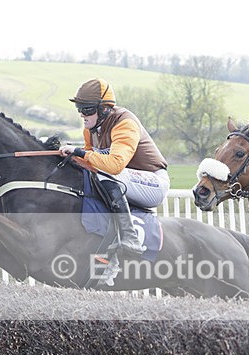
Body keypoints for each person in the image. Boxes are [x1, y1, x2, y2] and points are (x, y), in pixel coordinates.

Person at [60, 78, 170, 254]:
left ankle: (130, 236)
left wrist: (80, 152)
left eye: (86, 109)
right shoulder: (90, 129)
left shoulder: (125, 123)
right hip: (128, 181)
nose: (82, 114)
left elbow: (115, 165)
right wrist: (71, 156)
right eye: (79, 109)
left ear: (104, 109)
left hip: (154, 183)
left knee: (105, 172)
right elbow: (90, 163)